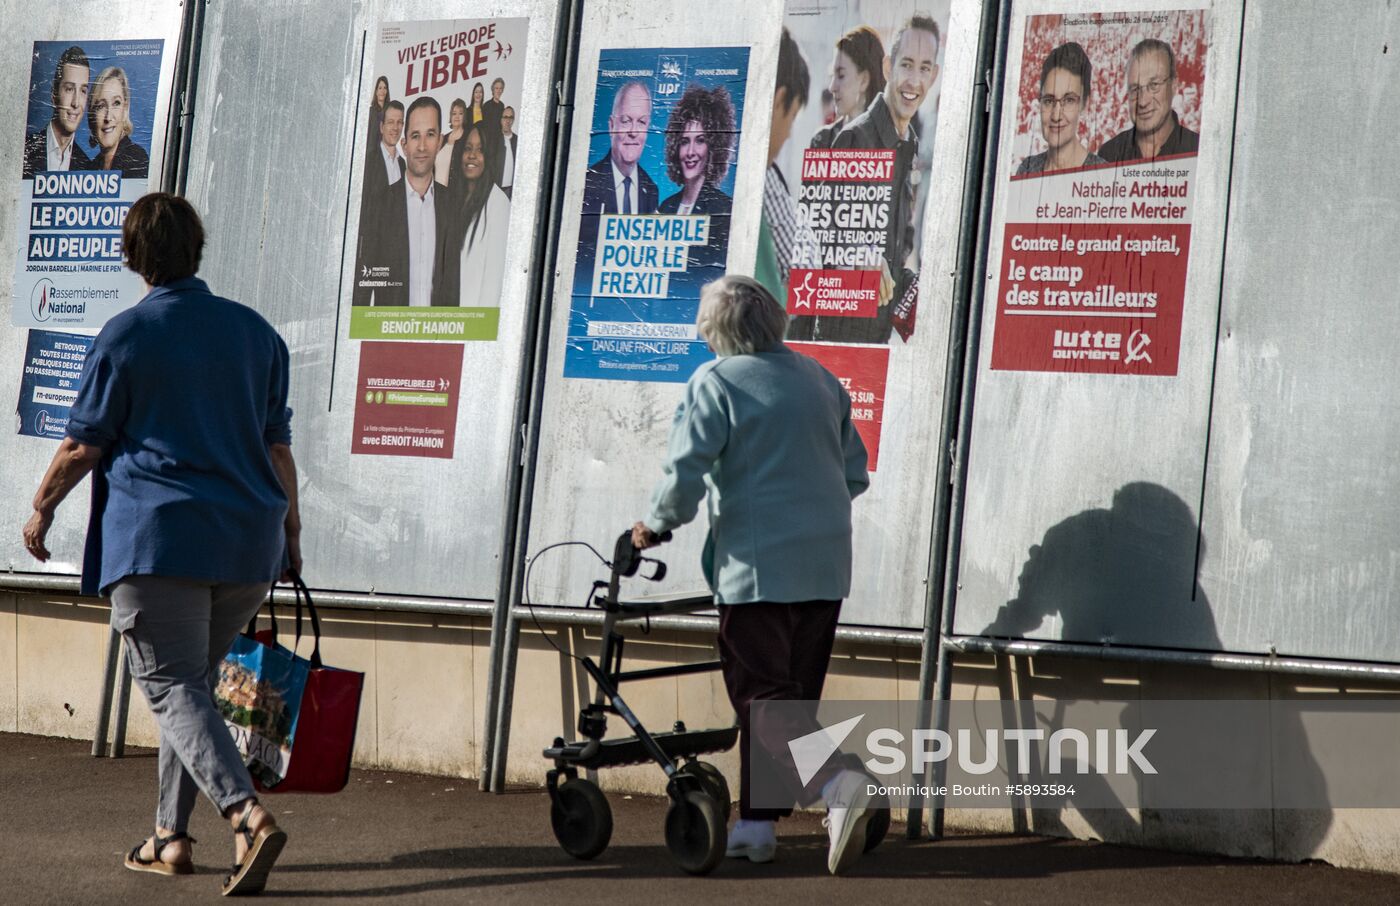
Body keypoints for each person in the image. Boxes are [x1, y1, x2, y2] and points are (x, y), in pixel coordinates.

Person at [21, 193, 299, 896]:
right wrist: (292, 535)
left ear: (132, 256)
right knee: (192, 690)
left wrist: (40, 509)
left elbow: (85, 443)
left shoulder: (126, 335)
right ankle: (170, 837)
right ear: (196, 250)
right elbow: (278, 451)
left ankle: (245, 818)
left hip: (161, 544)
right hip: (247, 547)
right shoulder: (257, 334)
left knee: (173, 686)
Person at [632, 276, 872, 875]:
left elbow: (686, 469)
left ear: (716, 332)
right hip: (825, 563)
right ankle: (757, 826)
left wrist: (655, 525)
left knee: (763, 699)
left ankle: (841, 781)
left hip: (758, 566)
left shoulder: (716, 382)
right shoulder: (818, 377)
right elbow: (855, 474)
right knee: (788, 701)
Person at [817, 14, 941, 344]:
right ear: (888, 68)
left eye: (925, 68)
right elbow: (822, 231)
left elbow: (898, 243)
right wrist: (858, 252)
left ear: (934, 75)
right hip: (842, 332)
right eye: (907, 65)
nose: (914, 81)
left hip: (879, 332)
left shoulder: (909, 141)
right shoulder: (856, 137)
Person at [355, 97, 454, 306]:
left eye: (430, 135)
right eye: (415, 136)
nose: (422, 146)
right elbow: (364, 281)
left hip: (441, 335)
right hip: (391, 335)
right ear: (404, 144)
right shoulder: (381, 205)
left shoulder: (453, 205)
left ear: (440, 142)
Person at [760, 28, 822, 323]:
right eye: (792, 117)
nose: (786, 136)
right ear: (778, 100)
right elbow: (804, 275)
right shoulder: (764, 177)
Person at [658, 85, 735, 290]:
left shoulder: (724, 209)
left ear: (714, 147)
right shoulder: (665, 208)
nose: (691, 152)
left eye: (700, 141)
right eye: (684, 141)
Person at [439, 121, 511, 307]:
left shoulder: (498, 204)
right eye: (468, 148)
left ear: (489, 156)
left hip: (472, 322)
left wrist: (478, 330)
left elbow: (493, 282)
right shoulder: (453, 200)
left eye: (480, 150)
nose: (472, 155)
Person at [1096, 38, 1200, 163]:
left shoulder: (1198, 150)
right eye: (1135, 89)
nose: (1143, 102)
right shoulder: (1109, 154)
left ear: (1173, 86)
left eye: (1154, 85)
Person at [1016, 42, 1106, 175]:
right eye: (1048, 101)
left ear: (1084, 105)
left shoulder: (1102, 174)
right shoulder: (1027, 169)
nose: (1056, 115)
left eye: (1069, 100)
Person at [810, 26, 886, 149]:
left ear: (864, 80)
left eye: (840, 76)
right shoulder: (821, 141)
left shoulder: (889, 144)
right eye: (832, 76)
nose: (832, 87)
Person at [23, 45, 91, 178]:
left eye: (83, 91)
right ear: (54, 95)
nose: (76, 103)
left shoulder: (88, 166)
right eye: (69, 89)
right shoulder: (25, 150)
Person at [84, 67, 149, 178]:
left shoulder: (136, 158)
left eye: (116, 103)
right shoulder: (91, 167)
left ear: (125, 108)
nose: (108, 117)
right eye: (100, 106)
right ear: (92, 114)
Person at [435, 98, 468, 185]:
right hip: (436, 191)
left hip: (453, 194)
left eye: (460, 113)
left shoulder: (467, 139)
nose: (457, 116)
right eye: (454, 113)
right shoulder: (443, 138)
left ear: (464, 116)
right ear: (450, 116)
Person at [366, 75, 390, 158]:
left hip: (385, 154)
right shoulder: (371, 111)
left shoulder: (389, 112)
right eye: (380, 88)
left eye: (385, 88)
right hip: (371, 152)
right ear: (376, 91)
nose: (382, 91)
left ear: (387, 91)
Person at [498, 106, 518, 199]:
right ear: (501, 119)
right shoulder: (494, 140)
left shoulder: (517, 141)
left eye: (510, 118)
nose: (508, 121)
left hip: (511, 190)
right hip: (495, 188)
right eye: (505, 117)